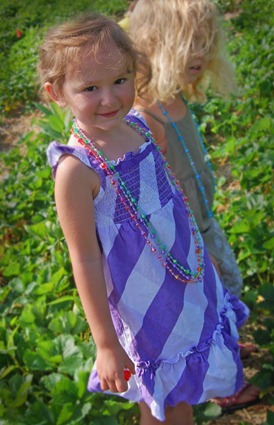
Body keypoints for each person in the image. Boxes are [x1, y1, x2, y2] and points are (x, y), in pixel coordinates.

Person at [39, 12, 251, 424]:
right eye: (89, 88)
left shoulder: (140, 125)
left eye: (120, 80)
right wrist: (105, 343)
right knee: (164, 401)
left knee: (178, 396)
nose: (110, 98)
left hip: (183, 282)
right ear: (55, 93)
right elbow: (84, 259)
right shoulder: (76, 171)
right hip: (142, 304)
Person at [125, 0, 261, 412]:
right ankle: (223, 385)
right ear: (150, 45)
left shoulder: (172, 98)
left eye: (205, 39)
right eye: (186, 42)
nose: (199, 51)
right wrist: (196, 253)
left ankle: (229, 344)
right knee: (203, 309)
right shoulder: (144, 116)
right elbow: (159, 202)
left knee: (220, 302)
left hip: (204, 224)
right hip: (186, 239)